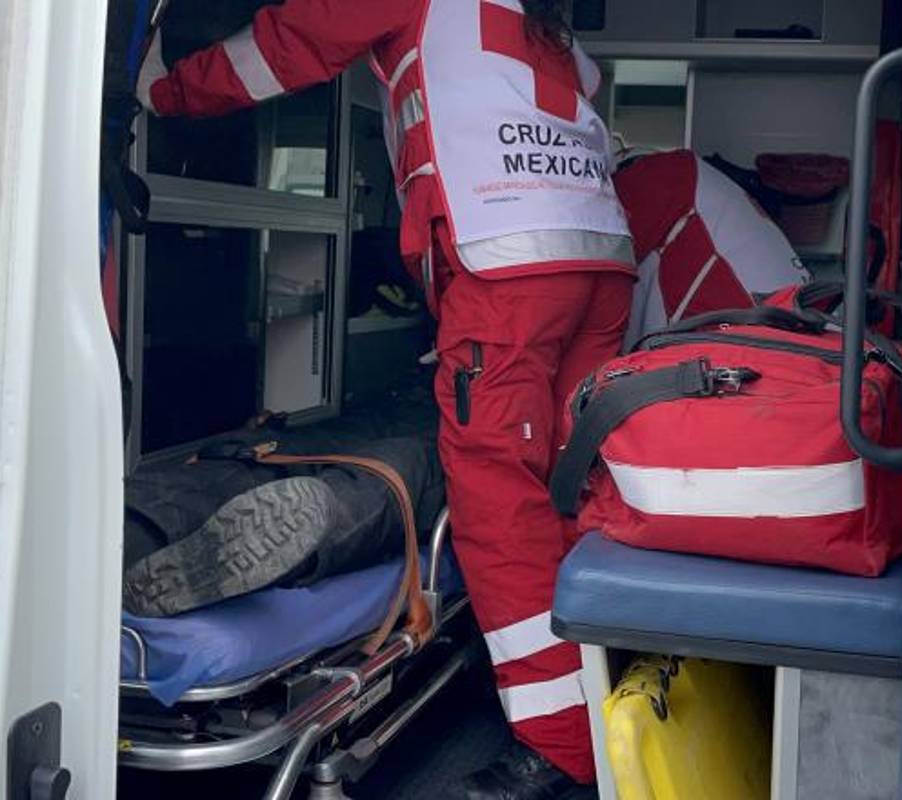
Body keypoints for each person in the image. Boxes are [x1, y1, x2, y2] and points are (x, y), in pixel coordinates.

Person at [137, 1, 634, 796]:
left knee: (496, 497)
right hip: (598, 261)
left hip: (508, 258)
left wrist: (161, 91)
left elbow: (291, 40)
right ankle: (606, 696)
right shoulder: (537, 20)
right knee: (569, 481)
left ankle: (562, 744)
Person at [613, 149, 812, 347]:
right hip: (804, 336)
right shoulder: (688, 175)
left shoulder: (658, 180)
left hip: (753, 345)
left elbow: (601, 287)